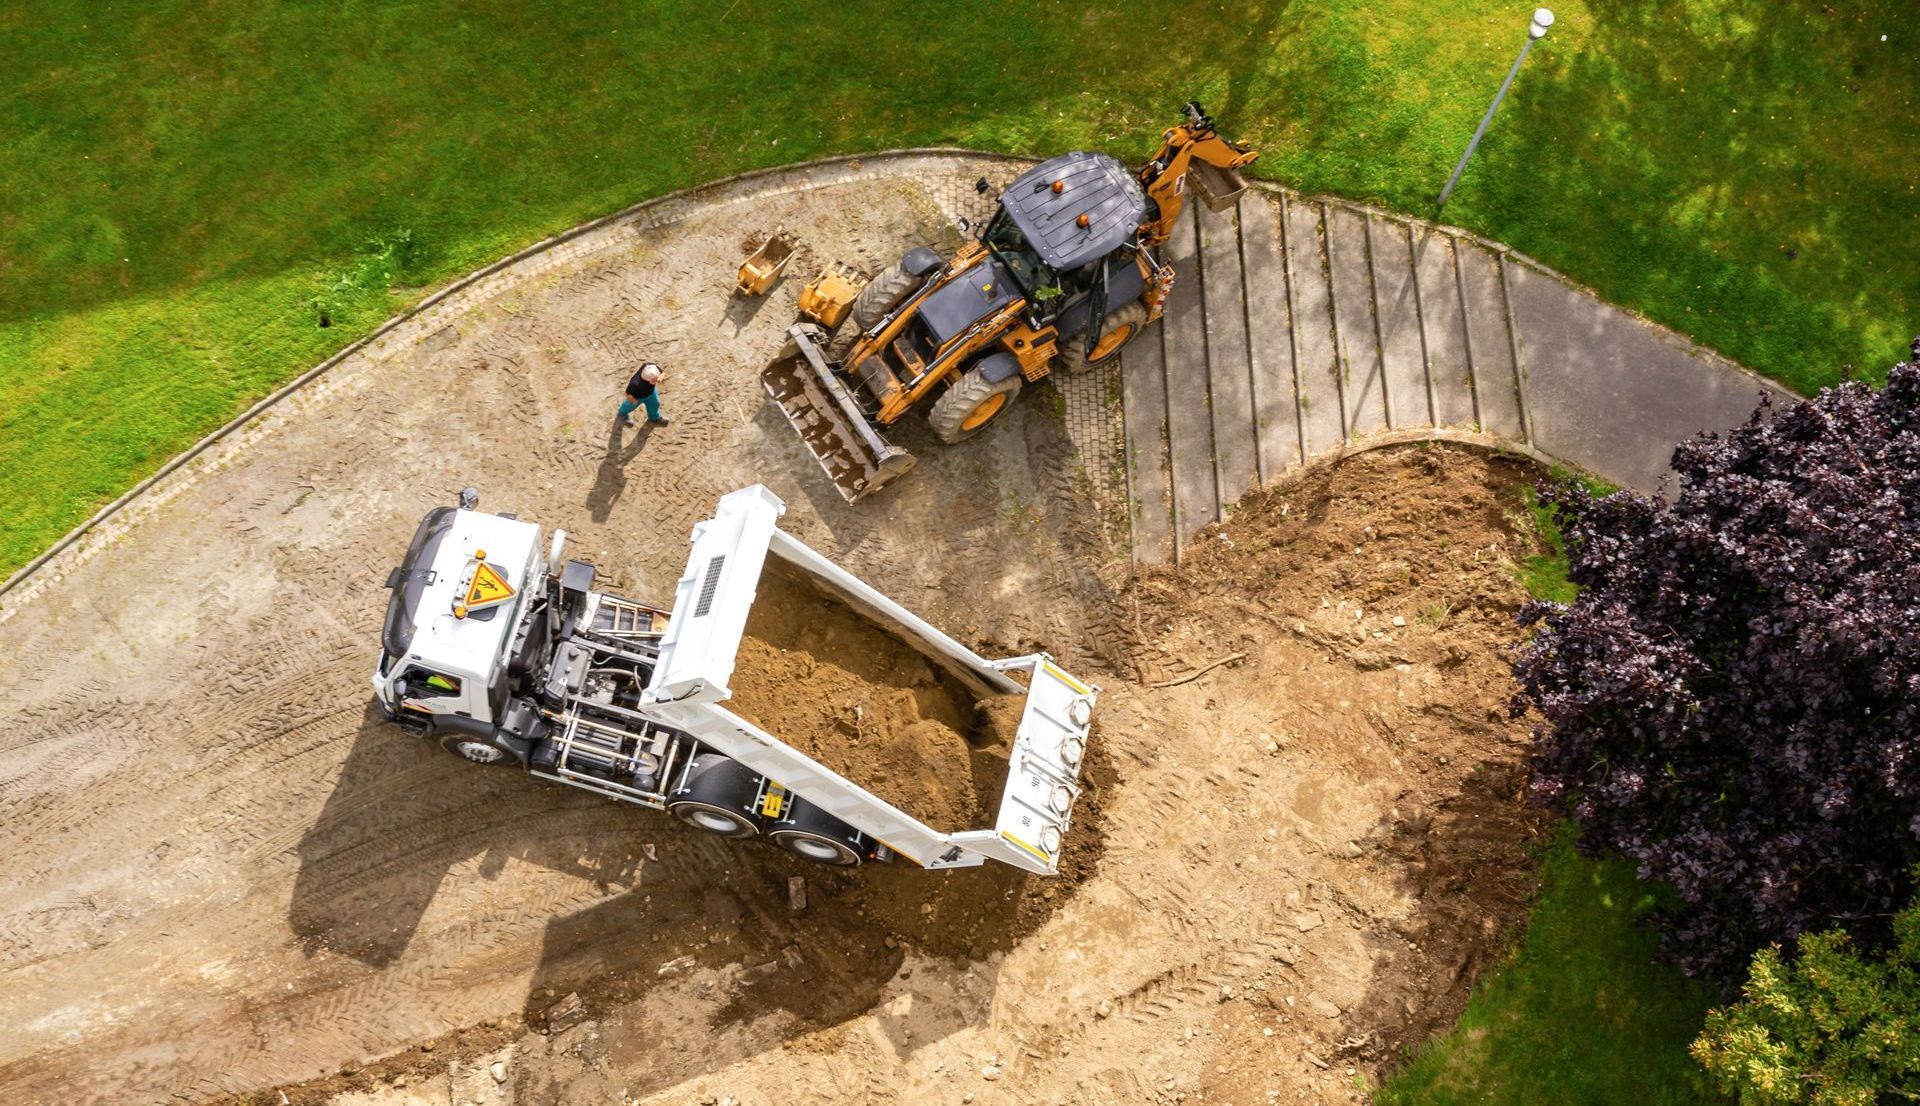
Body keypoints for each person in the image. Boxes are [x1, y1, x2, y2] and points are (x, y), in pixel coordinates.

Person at [618, 362, 669, 427]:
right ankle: (623, 414)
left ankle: (654, 417)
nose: (656, 382)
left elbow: (662, 373)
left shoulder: (650, 367)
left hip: (651, 393)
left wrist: (660, 377)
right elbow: (627, 394)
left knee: (655, 404)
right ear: (648, 381)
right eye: (654, 381)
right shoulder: (634, 384)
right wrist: (634, 401)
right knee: (628, 406)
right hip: (637, 397)